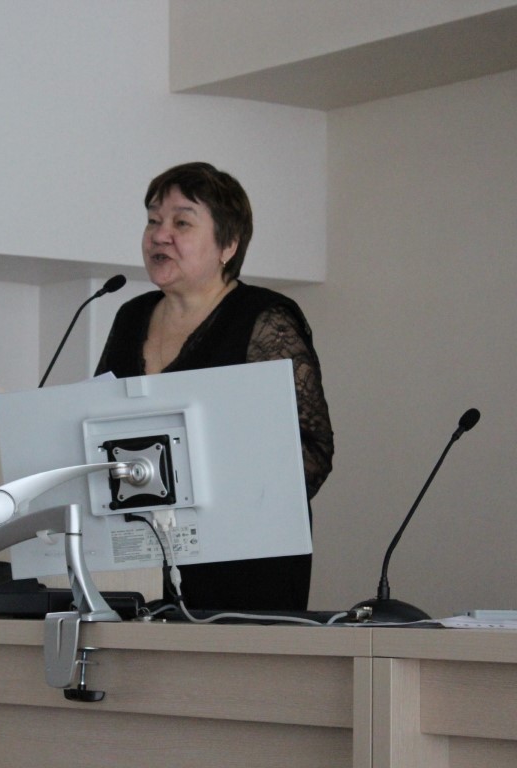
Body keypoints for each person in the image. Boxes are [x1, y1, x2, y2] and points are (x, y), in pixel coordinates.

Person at [95, 161, 334, 611]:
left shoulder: (264, 318)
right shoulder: (131, 316)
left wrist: (222, 501)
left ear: (228, 244)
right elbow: (102, 432)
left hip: (245, 565)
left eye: (181, 223)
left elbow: (311, 451)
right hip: (143, 560)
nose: (160, 235)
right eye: (153, 220)